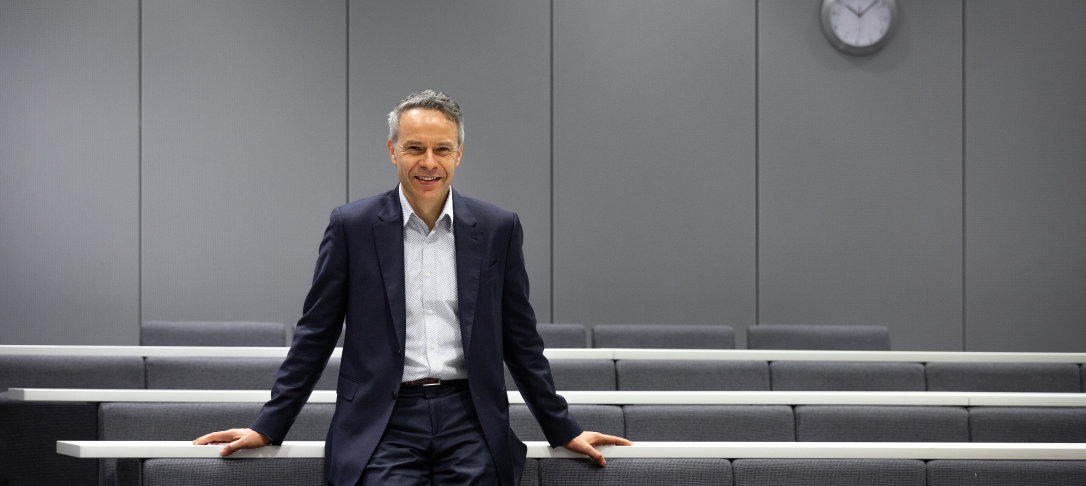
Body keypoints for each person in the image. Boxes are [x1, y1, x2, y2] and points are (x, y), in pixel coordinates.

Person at [194, 90, 630, 485]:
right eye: (415, 148)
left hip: (470, 418)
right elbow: (316, 333)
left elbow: (521, 340)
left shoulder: (498, 228)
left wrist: (562, 427)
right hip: (383, 420)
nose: (429, 162)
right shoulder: (352, 226)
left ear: (459, 153)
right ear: (392, 151)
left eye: (442, 149)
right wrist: (268, 425)